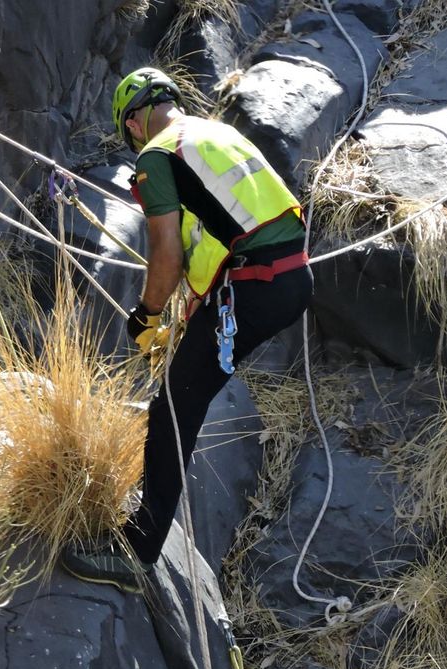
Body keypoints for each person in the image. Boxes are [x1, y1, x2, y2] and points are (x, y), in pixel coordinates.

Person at [61, 67, 314, 592]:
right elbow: (227, 230)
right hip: (286, 277)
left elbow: (166, 253)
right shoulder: (214, 135)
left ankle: (138, 552)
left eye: (129, 133)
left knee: (174, 408)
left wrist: (147, 314)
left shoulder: (157, 155)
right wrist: (193, 313)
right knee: (182, 395)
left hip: (255, 284)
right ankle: (147, 519)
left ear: (133, 122)